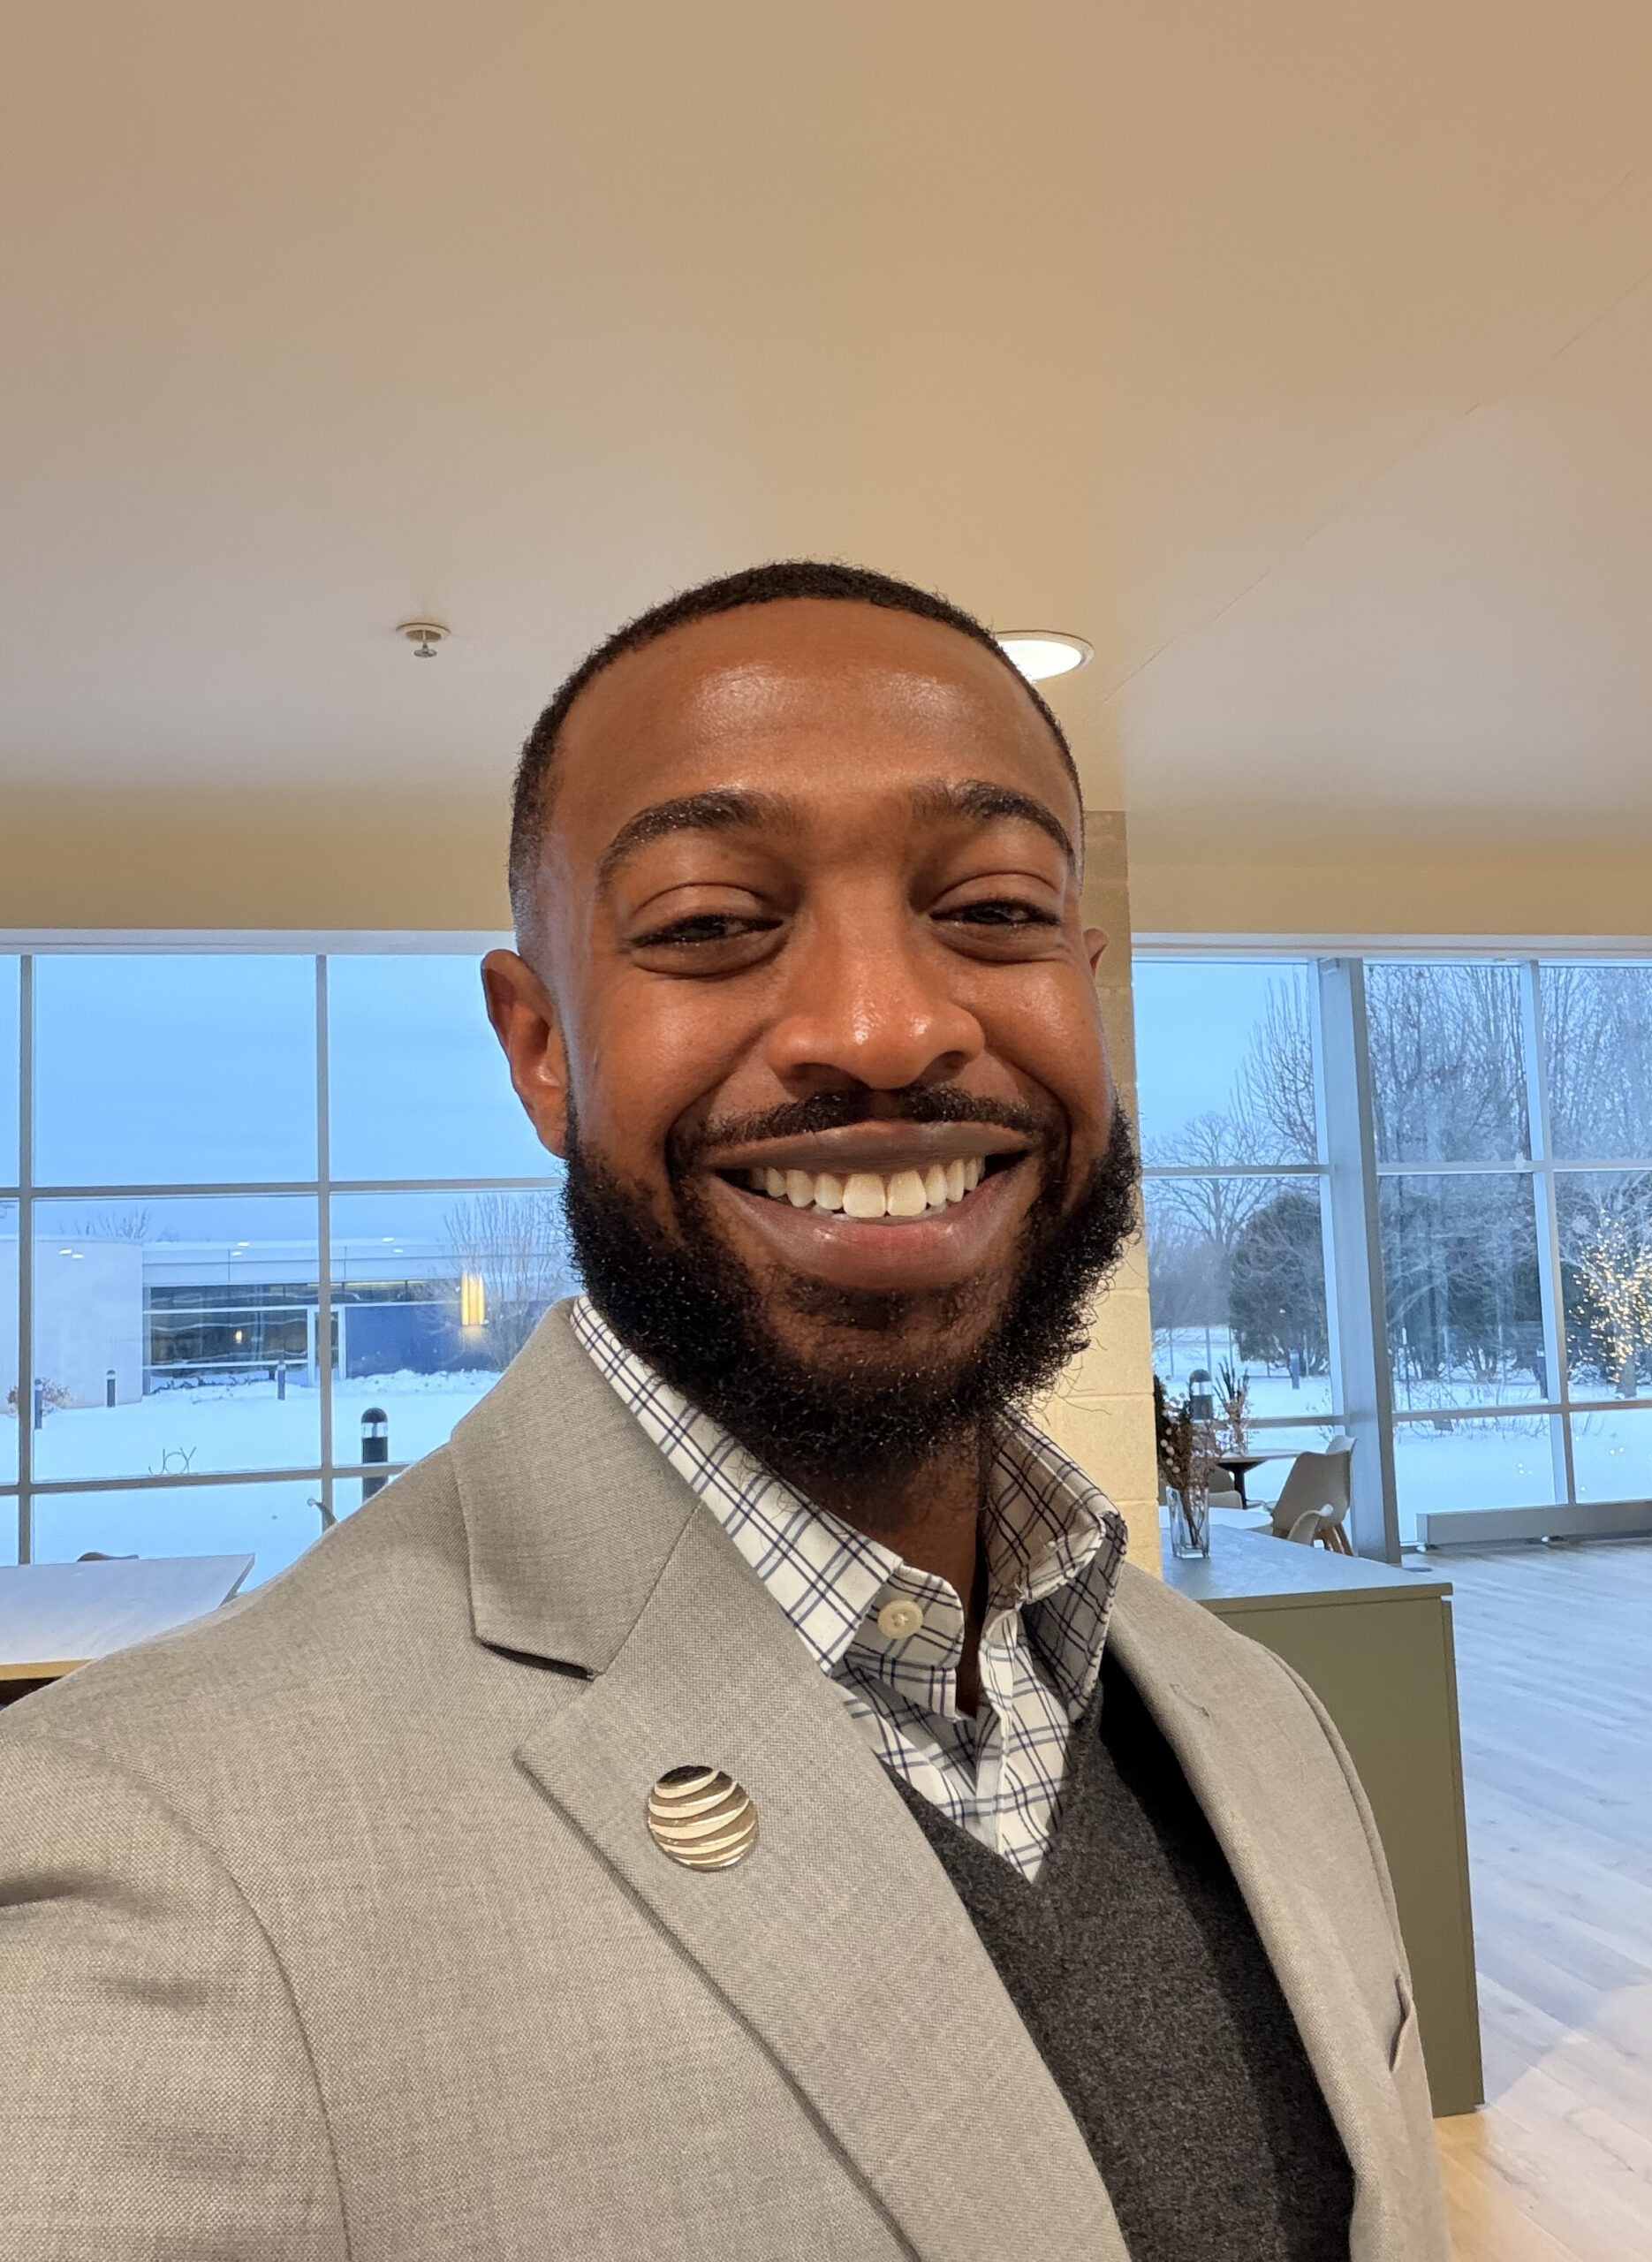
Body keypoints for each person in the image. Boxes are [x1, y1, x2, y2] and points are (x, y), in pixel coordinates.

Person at [0, 562, 1449, 2261]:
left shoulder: (1262, 1726)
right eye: (707, 923)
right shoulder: (153, 1859)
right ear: (541, 1048)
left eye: (990, 910)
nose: (888, 1026)